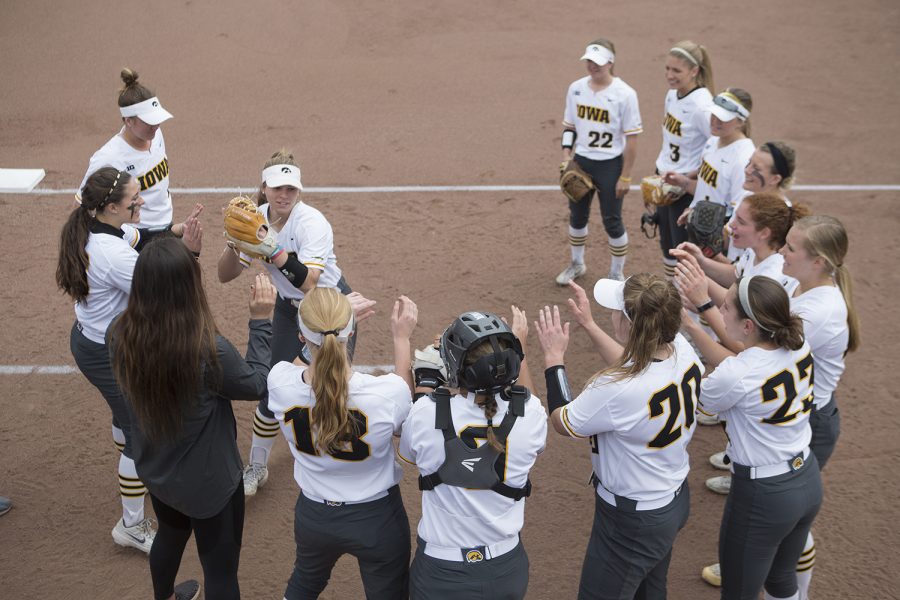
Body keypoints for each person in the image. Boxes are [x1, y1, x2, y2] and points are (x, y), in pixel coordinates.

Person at [110, 237, 276, 600]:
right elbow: (257, 384)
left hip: (158, 472)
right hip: (211, 486)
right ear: (189, 286)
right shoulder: (208, 348)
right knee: (220, 572)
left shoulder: (120, 333)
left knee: (169, 538)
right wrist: (260, 321)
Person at [56, 167, 201, 554]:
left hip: (92, 342)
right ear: (110, 206)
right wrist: (192, 250)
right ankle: (132, 525)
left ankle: (134, 473)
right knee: (144, 436)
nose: (141, 201)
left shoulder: (97, 228)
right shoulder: (114, 256)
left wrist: (173, 232)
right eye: (134, 198)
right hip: (109, 353)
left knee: (126, 421)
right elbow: (168, 289)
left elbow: (143, 236)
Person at [535, 274, 704, 600]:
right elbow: (635, 370)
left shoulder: (614, 388)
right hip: (670, 499)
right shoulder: (681, 348)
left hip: (631, 523)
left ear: (629, 326)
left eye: (615, 310)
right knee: (650, 591)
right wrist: (589, 325)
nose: (610, 314)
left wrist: (554, 359)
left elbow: (564, 422)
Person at [217, 149, 360, 497]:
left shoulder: (312, 223)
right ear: (264, 188)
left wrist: (270, 246)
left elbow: (309, 282)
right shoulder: (256, 219)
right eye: (277, 188)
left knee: (334, 386)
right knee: (270, 388)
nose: (284, 196)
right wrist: (235, 244)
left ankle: (341, 461)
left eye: (291, 190)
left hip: (329, 307)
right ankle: (257, 465)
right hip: (286, 310)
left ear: (299, 192)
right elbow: (224, 275)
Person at [267, 289, 416, 599]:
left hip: (314, 517)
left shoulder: (279, 381)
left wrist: (325, 327)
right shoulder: (386, 393)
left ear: (301, 336)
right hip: (377, 520)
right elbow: (406, 414)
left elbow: (301, 365)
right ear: (351, 332)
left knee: (304, 584)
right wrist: (401, 340)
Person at [399, 308, 547, 600]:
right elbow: (526, 400)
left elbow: (409, 454)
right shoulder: (531, 415)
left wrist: (426, 377)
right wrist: (521, 345)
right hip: (505, 569)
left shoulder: (425, 412)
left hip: (441, 570)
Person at [697, 275, 822, 600]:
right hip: (807, 478)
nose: (720, 311)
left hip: (763, 496)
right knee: (781, 580)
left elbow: (708, 397)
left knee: (737, 593)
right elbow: (745, 362)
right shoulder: (799, 343)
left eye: (726, 307)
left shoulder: (737, 372)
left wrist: (688, 328)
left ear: (749, 326)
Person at [557, 38, 642, 285]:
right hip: (582, 161)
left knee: (612, 220)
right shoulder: (576, 89)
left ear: (610, 62)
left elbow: (633, 140)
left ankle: (616, 272)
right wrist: (566, 156)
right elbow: (570, 126)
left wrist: (625, 176)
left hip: (610, 165)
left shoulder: (625, 94)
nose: (592, 67)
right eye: (589, 62)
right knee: (577, 216)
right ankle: (577, 263)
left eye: (598, 62)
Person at [666, 88, 755, 262]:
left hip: (717, 241)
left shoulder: (743, 158)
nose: (715, 121)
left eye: (723, 118)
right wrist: (683, 183)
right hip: (699, 229)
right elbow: (707, 189)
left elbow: (740, 211)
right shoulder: (713, 141)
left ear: (740, 121)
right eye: (713, 115)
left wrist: (715, 245)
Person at [79, 68, 176, 229]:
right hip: (136, 235)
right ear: (128, 121)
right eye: (149, 121)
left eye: (157, 119)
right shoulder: (109, 157)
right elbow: (82, 204)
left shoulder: (155, 134)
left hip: (167, 225)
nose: (156, 125)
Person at [654, 41, 715, 280]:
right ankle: (673, 294)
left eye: (676, 71)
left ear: (694, 71)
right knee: (667, 244)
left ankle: (687, 305)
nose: (670, 75)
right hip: (667, 181)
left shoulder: (702, 107)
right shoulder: (672, 96)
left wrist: (688, 177)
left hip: (685, 189)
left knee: (683, 249)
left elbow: (716, 151)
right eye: (667, 69)